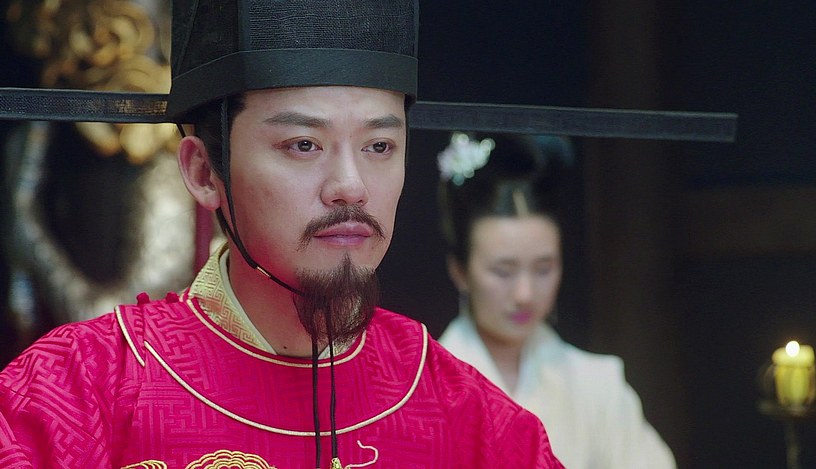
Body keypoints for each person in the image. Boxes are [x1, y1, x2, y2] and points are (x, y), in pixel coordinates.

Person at [0, 1, 564, 468]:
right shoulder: (79, 390)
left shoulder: (468, 417)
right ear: (204, 171)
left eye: (379, 147)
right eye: (303, 145)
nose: (350, 186)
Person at [436, 131, 676, 469]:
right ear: (460, 271)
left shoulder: (597, 385)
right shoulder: (425, 389)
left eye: (543, 268)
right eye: (503, 271)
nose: (524, 294)